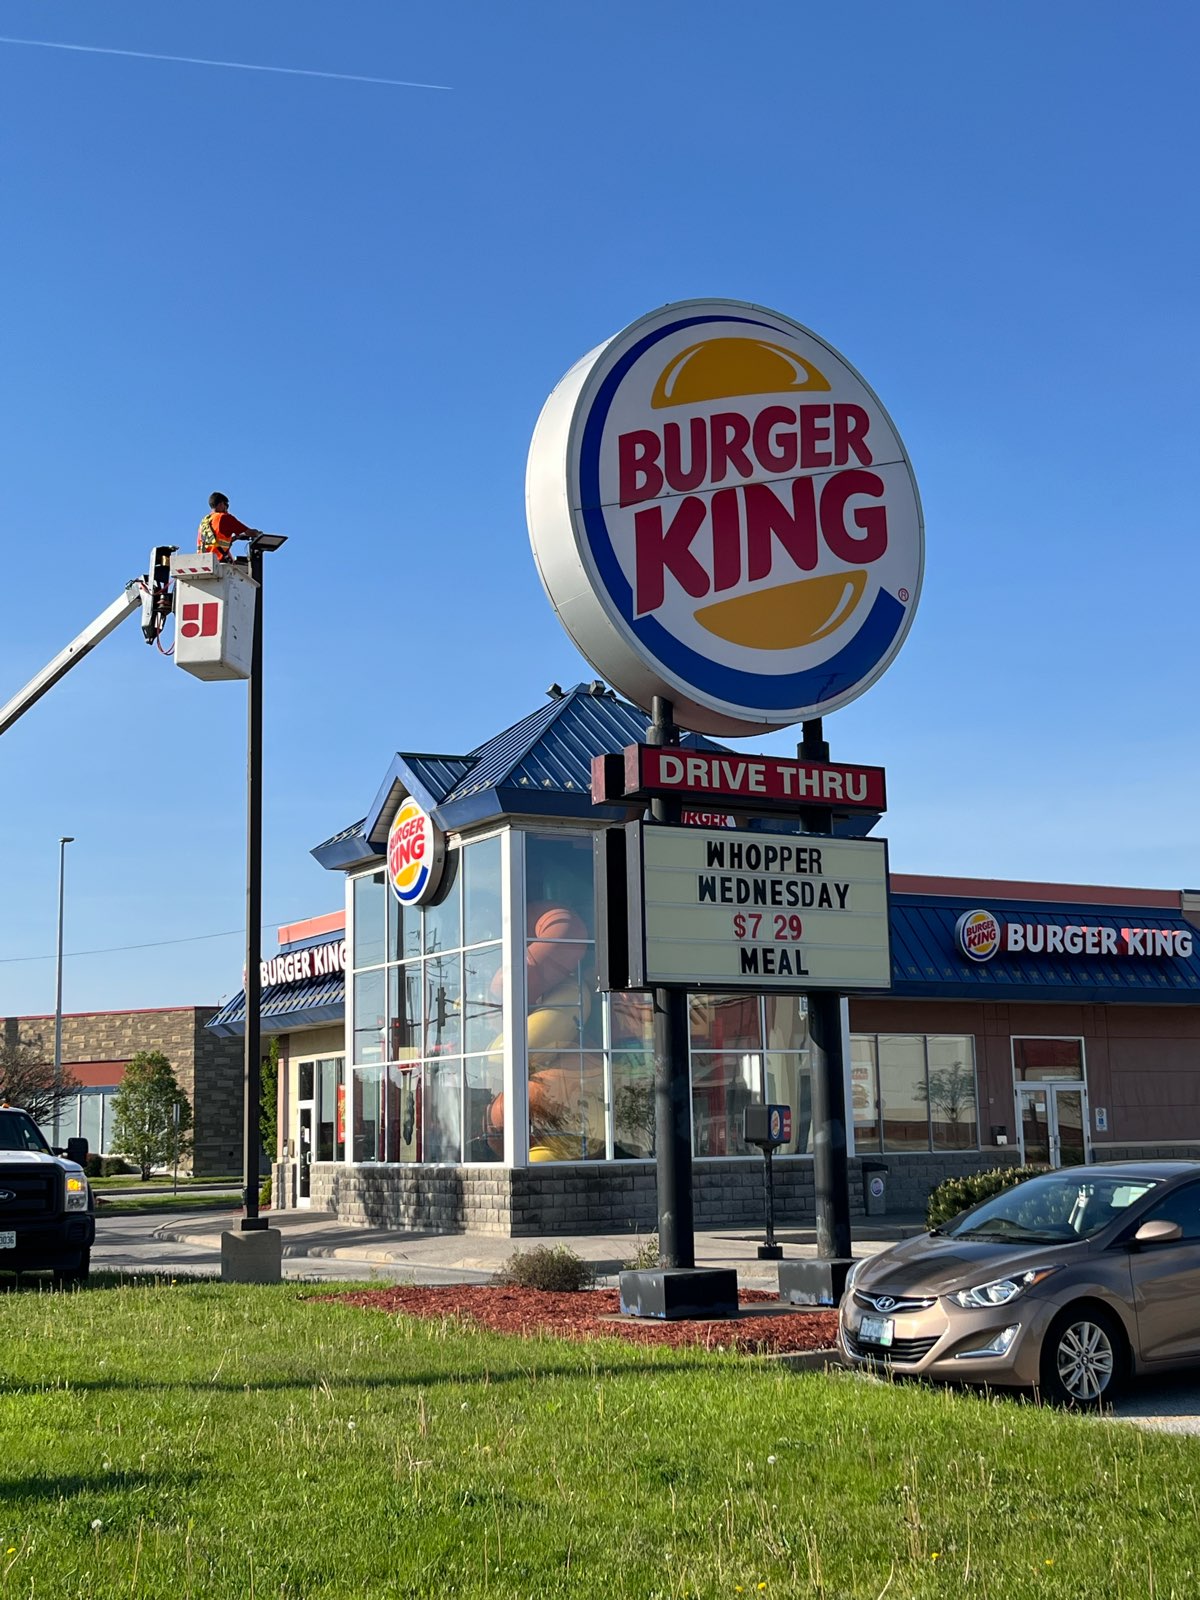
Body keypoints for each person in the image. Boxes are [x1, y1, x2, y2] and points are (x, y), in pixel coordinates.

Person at [196, 492, 262, 562]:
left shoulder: (205, 521)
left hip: (203, 561)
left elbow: (213, 541)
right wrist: (258, 533)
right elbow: (249, 532)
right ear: (221, 504)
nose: (227, 508)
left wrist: (235, 538)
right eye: (226, 505)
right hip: (219, 561)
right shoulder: (225, 518)